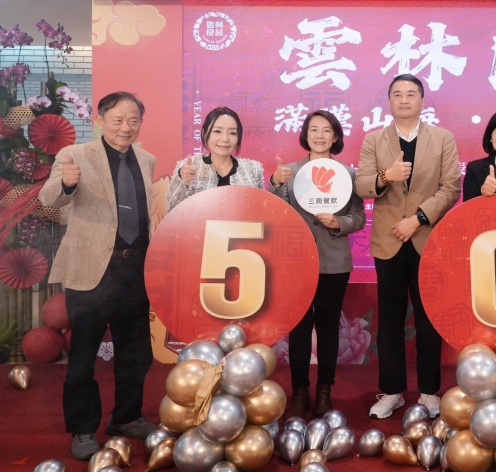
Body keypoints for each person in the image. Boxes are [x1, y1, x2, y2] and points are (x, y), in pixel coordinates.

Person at [39, 92, 158, 461]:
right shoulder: (75, 155)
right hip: (92, 271)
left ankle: (126, 417)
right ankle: (82, 428)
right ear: (100, 120)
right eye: (118, 120)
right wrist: (67, 183)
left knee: (136, 354)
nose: (126, 127)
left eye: (133, 120)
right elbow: (49, 198)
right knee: (83, 356)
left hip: (135, 269)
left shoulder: (146, 159)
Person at [355, 74, 460, 419]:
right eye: (397, 94)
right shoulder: (374, 139)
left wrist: (418, 218)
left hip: (427, 239)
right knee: (389, 320)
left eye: (411, 94)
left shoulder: (442, 138)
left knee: (429, 320)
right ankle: (392, 392)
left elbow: (450, 187)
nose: (404, 100)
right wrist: (387, 176)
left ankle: (429, 392)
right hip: (388, 241)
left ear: (422, 101)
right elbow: (362, 185)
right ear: (389, 101)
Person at [268, 110, 366, 419]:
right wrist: (274, 182)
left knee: (328, 328)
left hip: (334, 260)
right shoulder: (289, 172)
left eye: (326, 130)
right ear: (305, 134)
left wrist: (339, 222)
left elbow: (359, 218)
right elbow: (274, 210)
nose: (320, 135)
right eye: (314, 129)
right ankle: (299, 393)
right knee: (298, 329)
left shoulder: (348, 174)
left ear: (335, 137)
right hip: (295, 261)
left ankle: (325, 392)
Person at [166, 106, 264, 210]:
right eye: (217, 131)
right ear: (204, 133)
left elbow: (261, 209)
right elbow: (172, 210)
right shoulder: (188, 166)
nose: (225, 139)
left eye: (232, 133)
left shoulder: (253, 169)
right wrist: (182, 181)